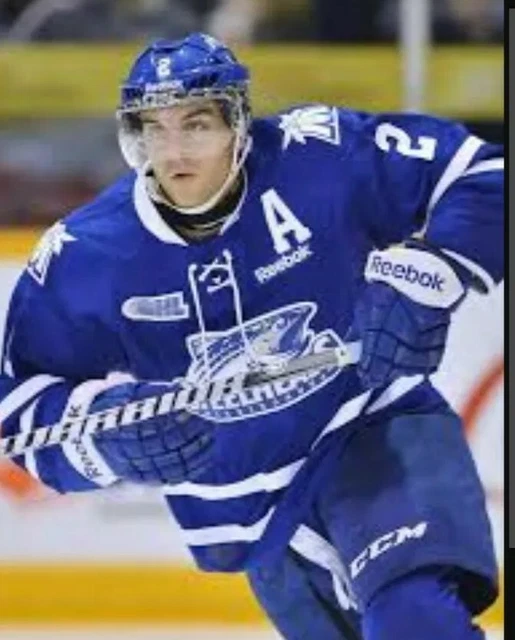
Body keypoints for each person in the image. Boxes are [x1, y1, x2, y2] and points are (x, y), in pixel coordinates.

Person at [0, 33, 503, 640]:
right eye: (154, 128)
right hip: (250, 513)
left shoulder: (321, 152)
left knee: (415, 621)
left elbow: (482, 172)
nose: (175, 149)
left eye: (196, 124)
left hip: (372, 430)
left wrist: (427, 276)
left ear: (238, 122)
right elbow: (23, 411)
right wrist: (106, 433)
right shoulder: (87, 255)